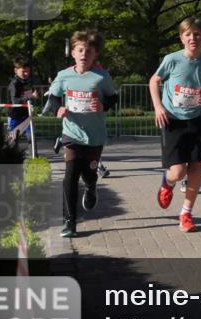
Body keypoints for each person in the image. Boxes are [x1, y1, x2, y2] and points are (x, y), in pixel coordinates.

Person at [44, 31, 118, 238]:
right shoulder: (64, 75)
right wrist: (58, 108)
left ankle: (92, 186)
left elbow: (113, 98)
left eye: (89, 51)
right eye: (80, 50)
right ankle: (70, 222)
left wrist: (103, 105)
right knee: (71, 175)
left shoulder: (101, 76)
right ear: (73, 53)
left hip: (94, 135)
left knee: (89, 172)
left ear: (95, 55)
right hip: (71, 133)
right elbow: (52, 98)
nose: (84, 54)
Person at [151, 16, 201, 233]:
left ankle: (186, 214)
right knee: (178, 172)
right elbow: (154, 80)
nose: (193, 38)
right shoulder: (172, 59)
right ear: (182, 38)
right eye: (188, 34)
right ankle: (167, 182)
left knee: (196, 168)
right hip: (172, 120)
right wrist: (158, 107)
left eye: (198, 34)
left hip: (196, 120)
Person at [7, 56, 40, 144]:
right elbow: (15, 101)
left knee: (32, 138)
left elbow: (27, 95)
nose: (26, 73)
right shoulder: (14, 84)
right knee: (11, 139)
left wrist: (34, 95)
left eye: (28, 71)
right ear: (15, 70)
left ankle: (34, 156)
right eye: (23, 71)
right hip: (15, 116)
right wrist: (31, 96)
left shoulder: (27, 82)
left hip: (26, 115)